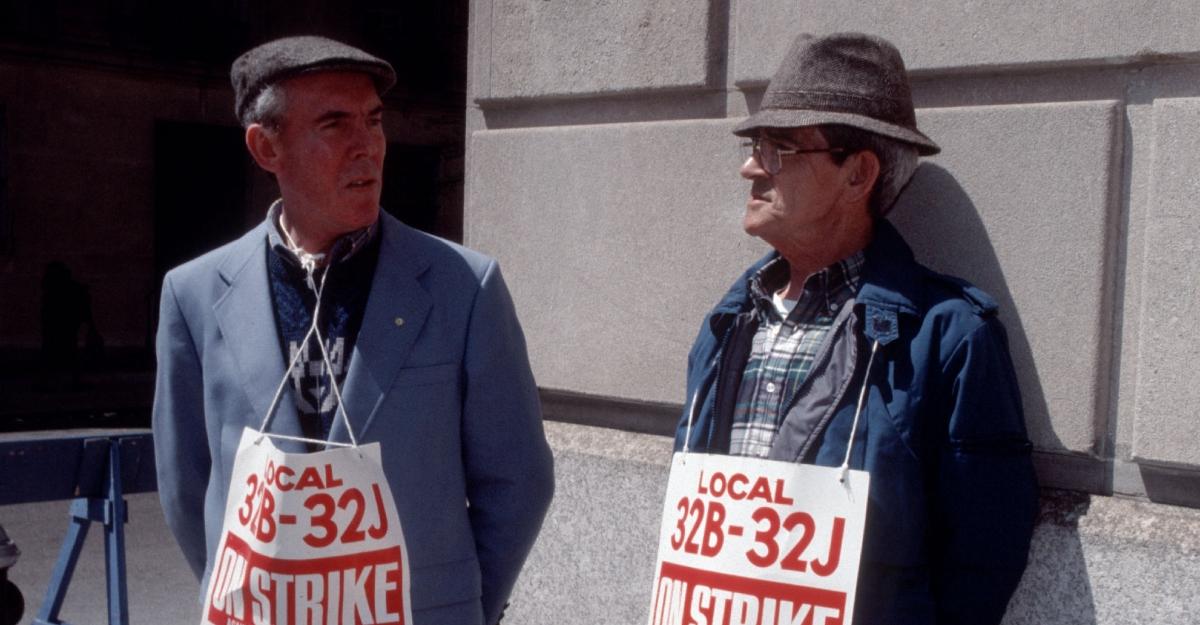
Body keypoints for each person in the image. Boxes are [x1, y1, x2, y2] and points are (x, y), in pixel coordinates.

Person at [152, 35, 554, 625]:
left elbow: (517, 482)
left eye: (373, 121)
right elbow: (187, 487)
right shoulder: (194, 293)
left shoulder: (463, 288)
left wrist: (458, 607)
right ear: (267, 148)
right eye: (335, 124)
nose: (367, 147)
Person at [675, 32, 1038, 625]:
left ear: (858, 174)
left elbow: (982, 557)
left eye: (778, 148)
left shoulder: (946, 336)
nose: (750, 166)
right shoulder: (728, 323)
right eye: (753, 145)